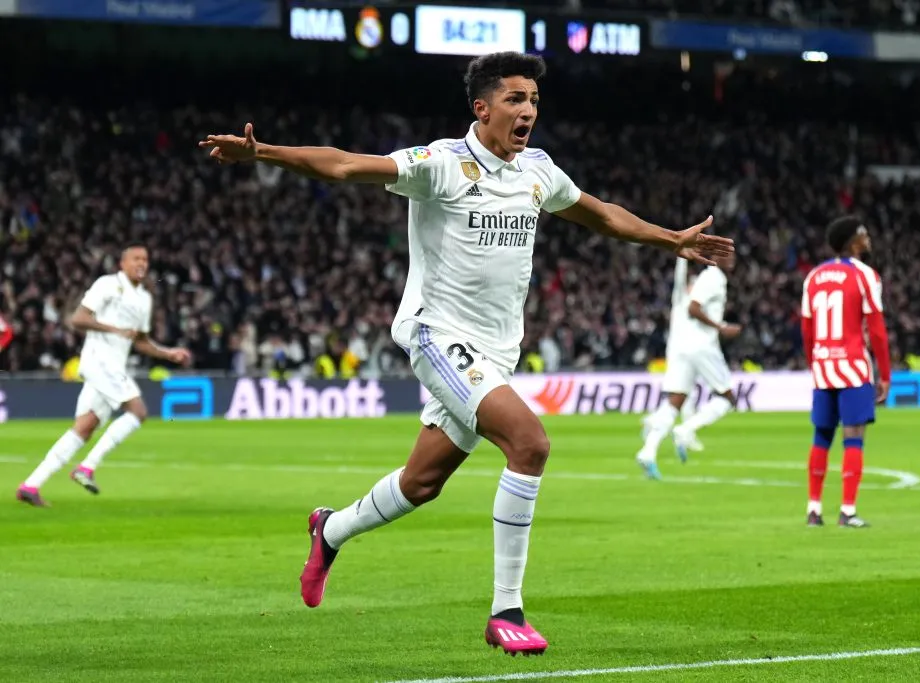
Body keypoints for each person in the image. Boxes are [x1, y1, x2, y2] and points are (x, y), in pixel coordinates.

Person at [200, 51, 734, 655]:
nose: (528, 109)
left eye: (532, 99)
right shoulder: (441, 164)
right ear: (481, 108)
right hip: (436, 333)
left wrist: (670, 239)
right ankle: (506, 610)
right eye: (514, 99)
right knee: (529, 443)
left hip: (496, 350)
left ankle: (332, 529)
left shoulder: (538, 170)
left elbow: (599, 214)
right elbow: (348, 165)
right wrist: (263, 152)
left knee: (422, 483)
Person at [16, 246, 192, 507]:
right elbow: (78, 318)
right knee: (138, 411)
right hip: (99, 362)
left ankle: (30, 485)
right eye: (136, 259)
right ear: (122, 263)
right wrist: (112, 328)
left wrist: (169, 354)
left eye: (145, 259)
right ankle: (86, 468)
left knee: (84, 428)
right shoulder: (108, 285)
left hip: (114, 368)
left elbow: (140, 341)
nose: (142, 263)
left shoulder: (144, 299)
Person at [800, 216, 890, 528]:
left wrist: (816, 364)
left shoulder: (813, 277)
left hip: (823, 365)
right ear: (853, 242)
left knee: (821, 436)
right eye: (863, 233)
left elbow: (807, 329)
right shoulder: (866, 276)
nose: (868, 237)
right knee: (854, 436)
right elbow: (877, 331)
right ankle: (847, 511)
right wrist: (886, 374)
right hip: (852, 366)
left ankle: (813, 510)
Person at [636, 253, 741, 479]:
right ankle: (685, 430)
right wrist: (721, 327)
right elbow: (693, 308)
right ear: (714, 258)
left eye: (733, 255)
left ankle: (648, 451)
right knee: (728, 398)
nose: (731, 259)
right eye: (726, 255)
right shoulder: (712, 278)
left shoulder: (710, 279)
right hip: (702, 345)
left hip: (684, 347)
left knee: (675, 401)